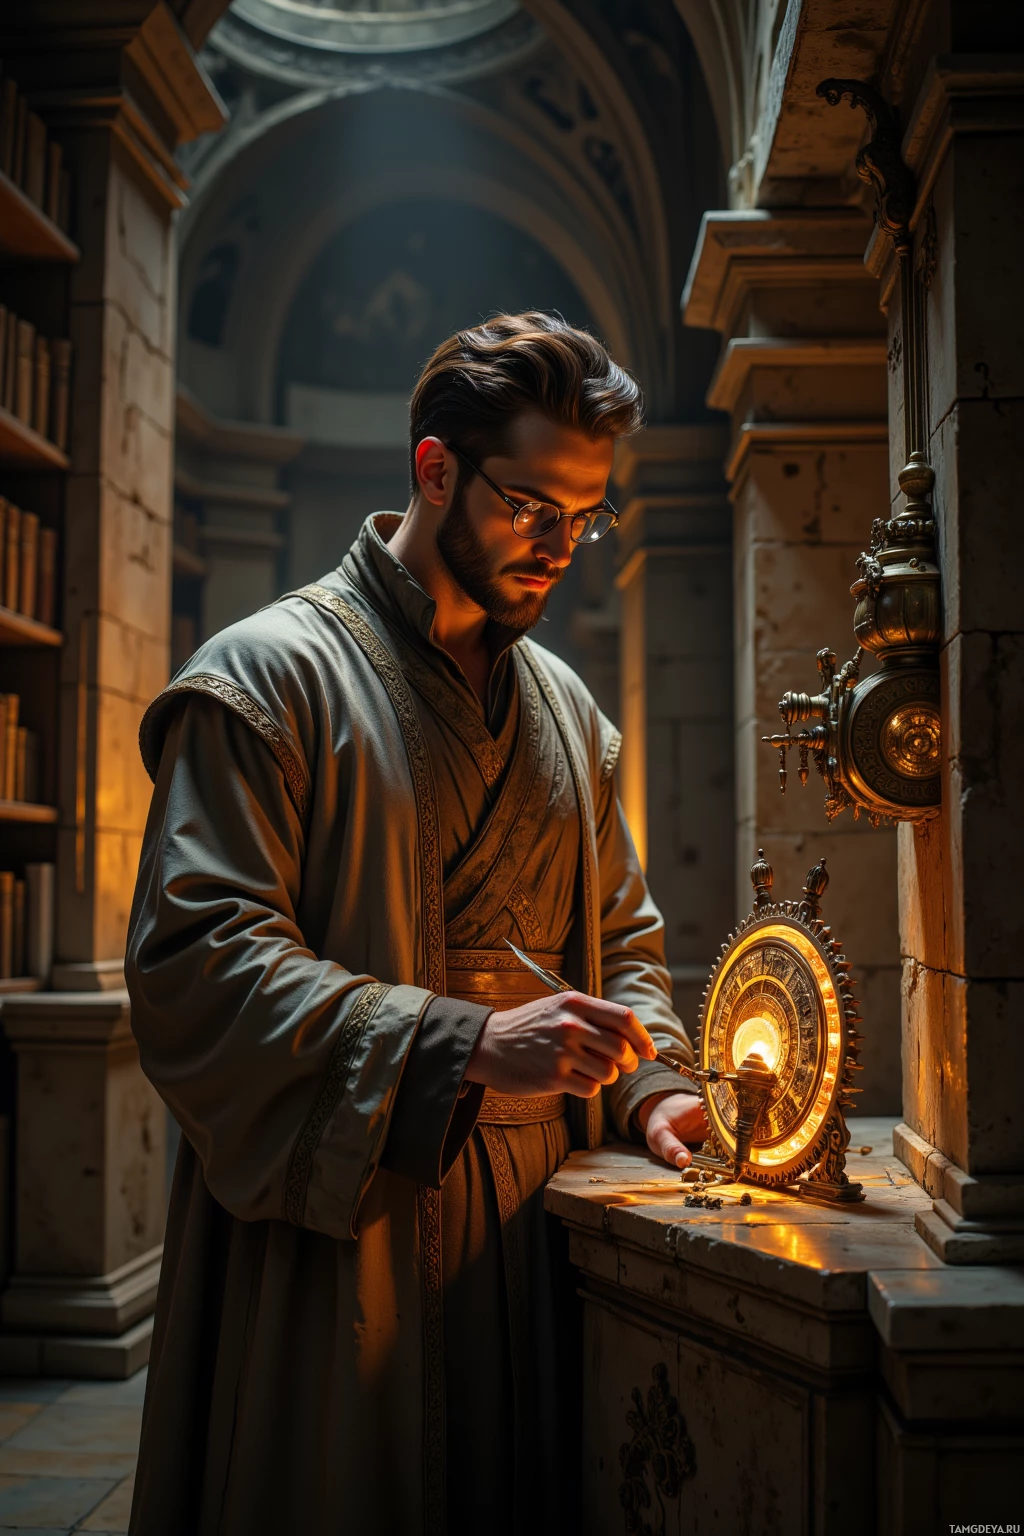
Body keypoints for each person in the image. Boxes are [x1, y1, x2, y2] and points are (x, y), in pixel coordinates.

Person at [126, 312, 707, 1536]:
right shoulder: (265, 678)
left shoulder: (567, 712)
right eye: (529, 507)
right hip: (349, 1227)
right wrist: (456, 1045)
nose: (561, 550)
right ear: (433, 469)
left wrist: (651, 1082)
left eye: (585, 517)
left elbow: (626, 937)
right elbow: (197, 961)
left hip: (545, 1223)